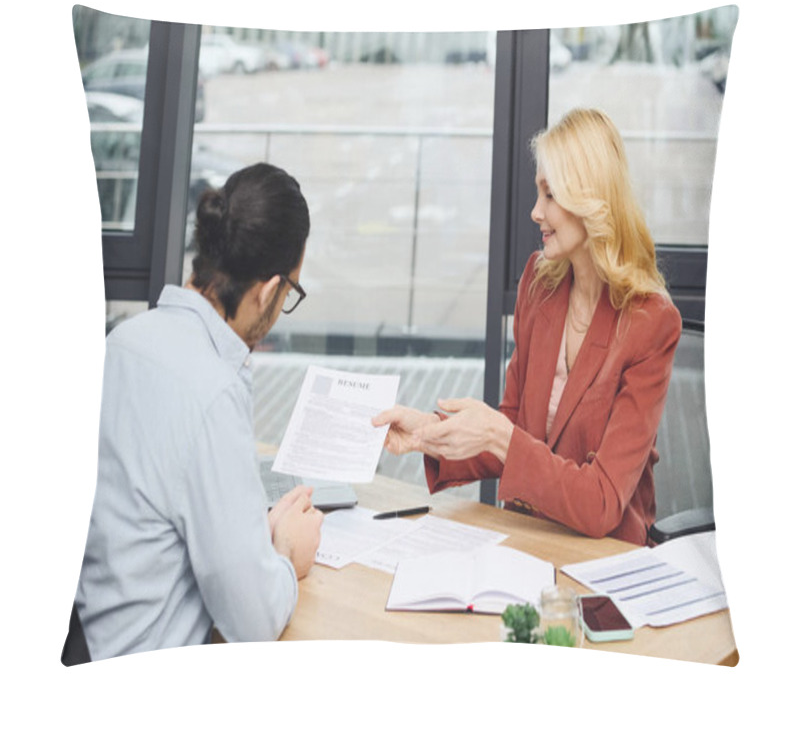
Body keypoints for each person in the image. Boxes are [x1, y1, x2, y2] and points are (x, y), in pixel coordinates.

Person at [373, 108, 681, 546]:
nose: (536, 212)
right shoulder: (540, 283)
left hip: (602, 559)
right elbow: (514, 423)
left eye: (550, 195)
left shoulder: (650, 323)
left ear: (590, 201)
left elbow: (601, 502)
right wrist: (429, 434)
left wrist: (501, 437)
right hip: (524, 539)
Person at [69, 162, 323, 662]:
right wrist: (287, 554)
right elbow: (252, 620)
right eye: (290, 291)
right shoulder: (210, 390)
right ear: (268, 291)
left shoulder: (122, 343)